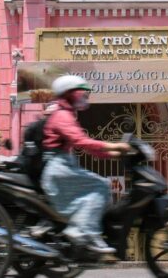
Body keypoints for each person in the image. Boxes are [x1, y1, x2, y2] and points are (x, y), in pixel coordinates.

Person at [41, 75, 130, 256]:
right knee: (103, 185)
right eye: (82, 92)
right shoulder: (62, 115)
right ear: (70, 93)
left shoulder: (66, 114)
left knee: (97, 188)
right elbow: (81, 141)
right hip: (59, 167)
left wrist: (112, 154)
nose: (85, 96)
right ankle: (84, 231)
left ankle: (83, 231)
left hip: (64, 165)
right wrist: (113, 146)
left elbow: (86, 147)